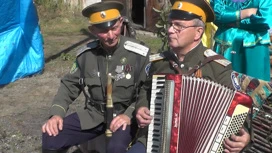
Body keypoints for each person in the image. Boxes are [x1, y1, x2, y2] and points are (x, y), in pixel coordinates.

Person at [126, 0, 251, 153]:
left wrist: (244, 137)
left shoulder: (217, 67)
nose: (171, 30)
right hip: (156, 138)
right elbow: (145, 89)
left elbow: (237, 107)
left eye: (179, 26)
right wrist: (142, 107)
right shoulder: (160, 62)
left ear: (198, 32)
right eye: (170, 24)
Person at [41, 1, 150, 153]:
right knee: (50, 137)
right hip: (95, 115)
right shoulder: (86, 55)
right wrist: (56, 115)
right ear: (92, 30)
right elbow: (69, 86)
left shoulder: (139, 54)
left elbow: (146, 90)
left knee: (115, 148)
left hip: (124, 117)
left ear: (120, 22)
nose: (111, 35)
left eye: (114, 28)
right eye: (104, 31)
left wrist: (128, 114)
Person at [210, 0, 272, 81]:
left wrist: (230, 21)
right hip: (226, 44)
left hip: (254, 46)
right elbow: (216, 15)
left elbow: (264, 21)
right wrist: (245, 13)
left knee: (254, 85)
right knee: (224, 82)